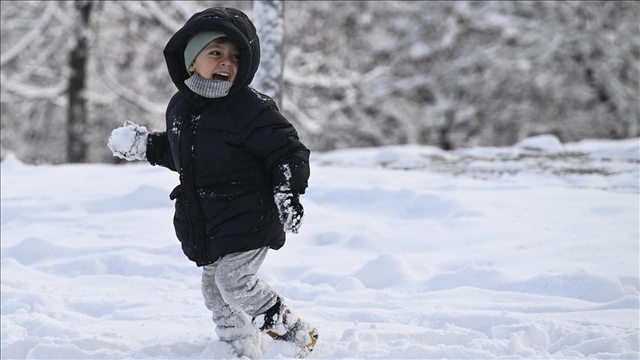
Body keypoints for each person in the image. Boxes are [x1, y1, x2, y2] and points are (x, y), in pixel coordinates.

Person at [107, 6, 317, 359]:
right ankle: (238, 347)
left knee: (234, 282)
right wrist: (146, 145)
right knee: (215, 290)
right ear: (191, 60)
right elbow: (185, 156)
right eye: (216, 53)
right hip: (212, 221)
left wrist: (286, 191)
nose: (226, 62)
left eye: (235, 57)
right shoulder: (181, 108)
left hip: (251, 215)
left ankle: (296, 336)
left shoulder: (250, 108)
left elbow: (287, 150)